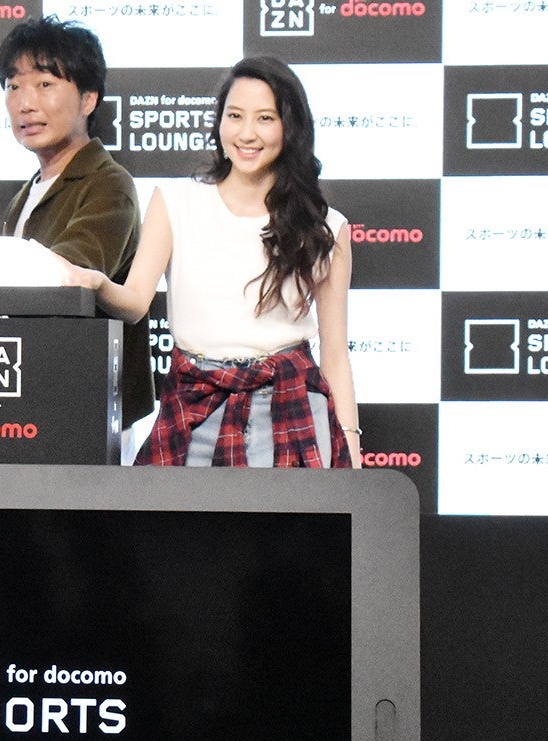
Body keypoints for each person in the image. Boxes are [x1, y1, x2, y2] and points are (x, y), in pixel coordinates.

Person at [57, 56, 362, 469]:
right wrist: (98, 283)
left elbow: (336, 354)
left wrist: (350, 450)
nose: (247, 133)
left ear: (290, 127)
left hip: (290, 406)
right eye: (235, 116)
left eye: (265, 118)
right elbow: (134, 302)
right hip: (192, 402)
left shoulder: (326, 227)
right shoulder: (176, 202)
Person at [0, 17, 152, 426]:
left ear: (88, 100)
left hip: (92, 411)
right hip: (34, 399)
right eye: (13, 86)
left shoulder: (109, 183)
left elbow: (68, 272)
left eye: (45, 84)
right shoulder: (24, 195)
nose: (26, 103)